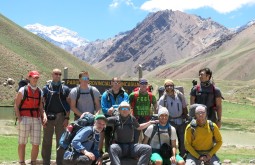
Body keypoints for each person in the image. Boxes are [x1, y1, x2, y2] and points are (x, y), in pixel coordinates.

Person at [14, 70, 47, 165]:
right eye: (34, 77)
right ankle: (21, 162)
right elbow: (16, 105)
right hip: (24, 118)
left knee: (36, 143)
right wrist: (19, 118)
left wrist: (43, 115)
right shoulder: (22, 90)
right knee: (22, 142)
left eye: (37, 77)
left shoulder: (40, 91)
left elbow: (40, 107)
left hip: (36, 119)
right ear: (29, 78)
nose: (35, 79)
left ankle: (33, 162)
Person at [41, 68, 71, 165]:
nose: (58, 75)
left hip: (61, 117)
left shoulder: (65, 89)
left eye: (59, 74)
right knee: (46, 141)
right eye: (56, 74)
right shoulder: (46, 88)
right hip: (48, 117)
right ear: (52, 74)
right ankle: (46, 162)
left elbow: (68, 105)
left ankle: (60, 163)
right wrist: (43, 116)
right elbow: (42, 104)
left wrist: (67, 118)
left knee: (61, 141)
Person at [158, 79, 188, 157]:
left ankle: (182, 156)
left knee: (182, 140)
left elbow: (184, 107)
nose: (169, 87)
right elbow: (160, 111)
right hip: (170, 122)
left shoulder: (180, 95)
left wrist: (186, 116)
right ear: (165, 87)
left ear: (173, 86)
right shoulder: (163, 99)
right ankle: (170, 156)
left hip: (181, 121)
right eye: (167, 86)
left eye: (171, 85)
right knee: (170, 140)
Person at [100, 77, 129, 154]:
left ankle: (122, 152)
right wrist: (108, 110)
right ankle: (107, 151)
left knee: (122, 134)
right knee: (107, 133)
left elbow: (125, 105)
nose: (116, 84)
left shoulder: (124, 95)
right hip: (108, 118)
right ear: (111, 83)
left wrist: (114, 107)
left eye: (118, 82)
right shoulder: (105, 95)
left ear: (121, 84)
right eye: (115, 82)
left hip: (121, 118)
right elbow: (103, 108)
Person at [129, 78, 157, 143]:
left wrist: (155, 116)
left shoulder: (151, 95)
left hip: (147, 119)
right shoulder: (133, 95)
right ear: (139, 84)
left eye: (145, 84)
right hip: (136, 119)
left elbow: (156, 106)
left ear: (147, 85)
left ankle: (146, 151)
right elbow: (129, 107)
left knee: (148, 138)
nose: (144, 85)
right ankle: (134, 152)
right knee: (135, 138)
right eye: (142, 83)